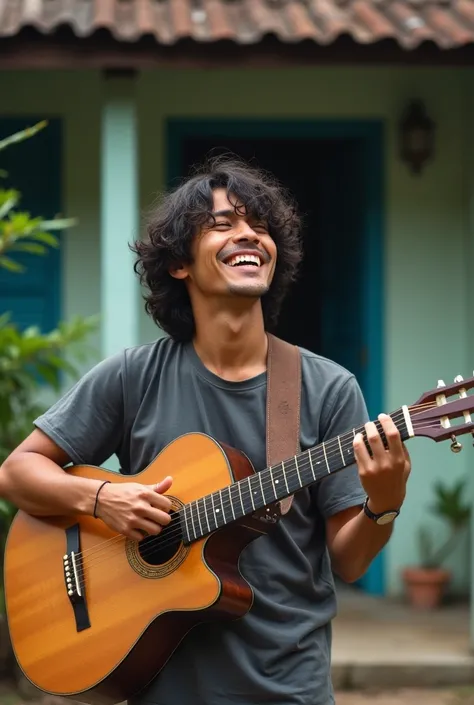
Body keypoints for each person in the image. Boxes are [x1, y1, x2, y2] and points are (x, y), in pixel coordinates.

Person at [0, 156, 411, 705]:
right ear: (179, 265)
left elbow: (352, 560)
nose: (249, 234)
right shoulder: (133, 376)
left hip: (288, 687)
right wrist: (100, 498)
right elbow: (17, 473)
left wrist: (383, 505)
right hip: (161, 685)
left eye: (259, 225)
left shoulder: (326, 387)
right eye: (223, 225)